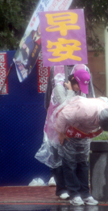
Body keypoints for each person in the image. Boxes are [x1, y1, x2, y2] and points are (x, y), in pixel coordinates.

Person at [36, 67, 91, 200]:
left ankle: (75, 189)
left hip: (70, 130)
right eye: (79, 85)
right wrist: (71, 91)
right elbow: (66, 106)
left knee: (70, 160)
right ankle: (61, 189)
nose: (80, 89)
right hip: (56, 129)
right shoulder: (59, 87)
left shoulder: (78, 91)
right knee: (58, 159)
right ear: (74, 80)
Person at [54, 96, 108, 206]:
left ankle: (85, 194)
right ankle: (74, 194)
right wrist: (61, 133)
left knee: (83, 163)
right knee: (70, 164)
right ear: (99, 121)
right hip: (69, 132)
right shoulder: (85, 112)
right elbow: (62, 115)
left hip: (83, 135)